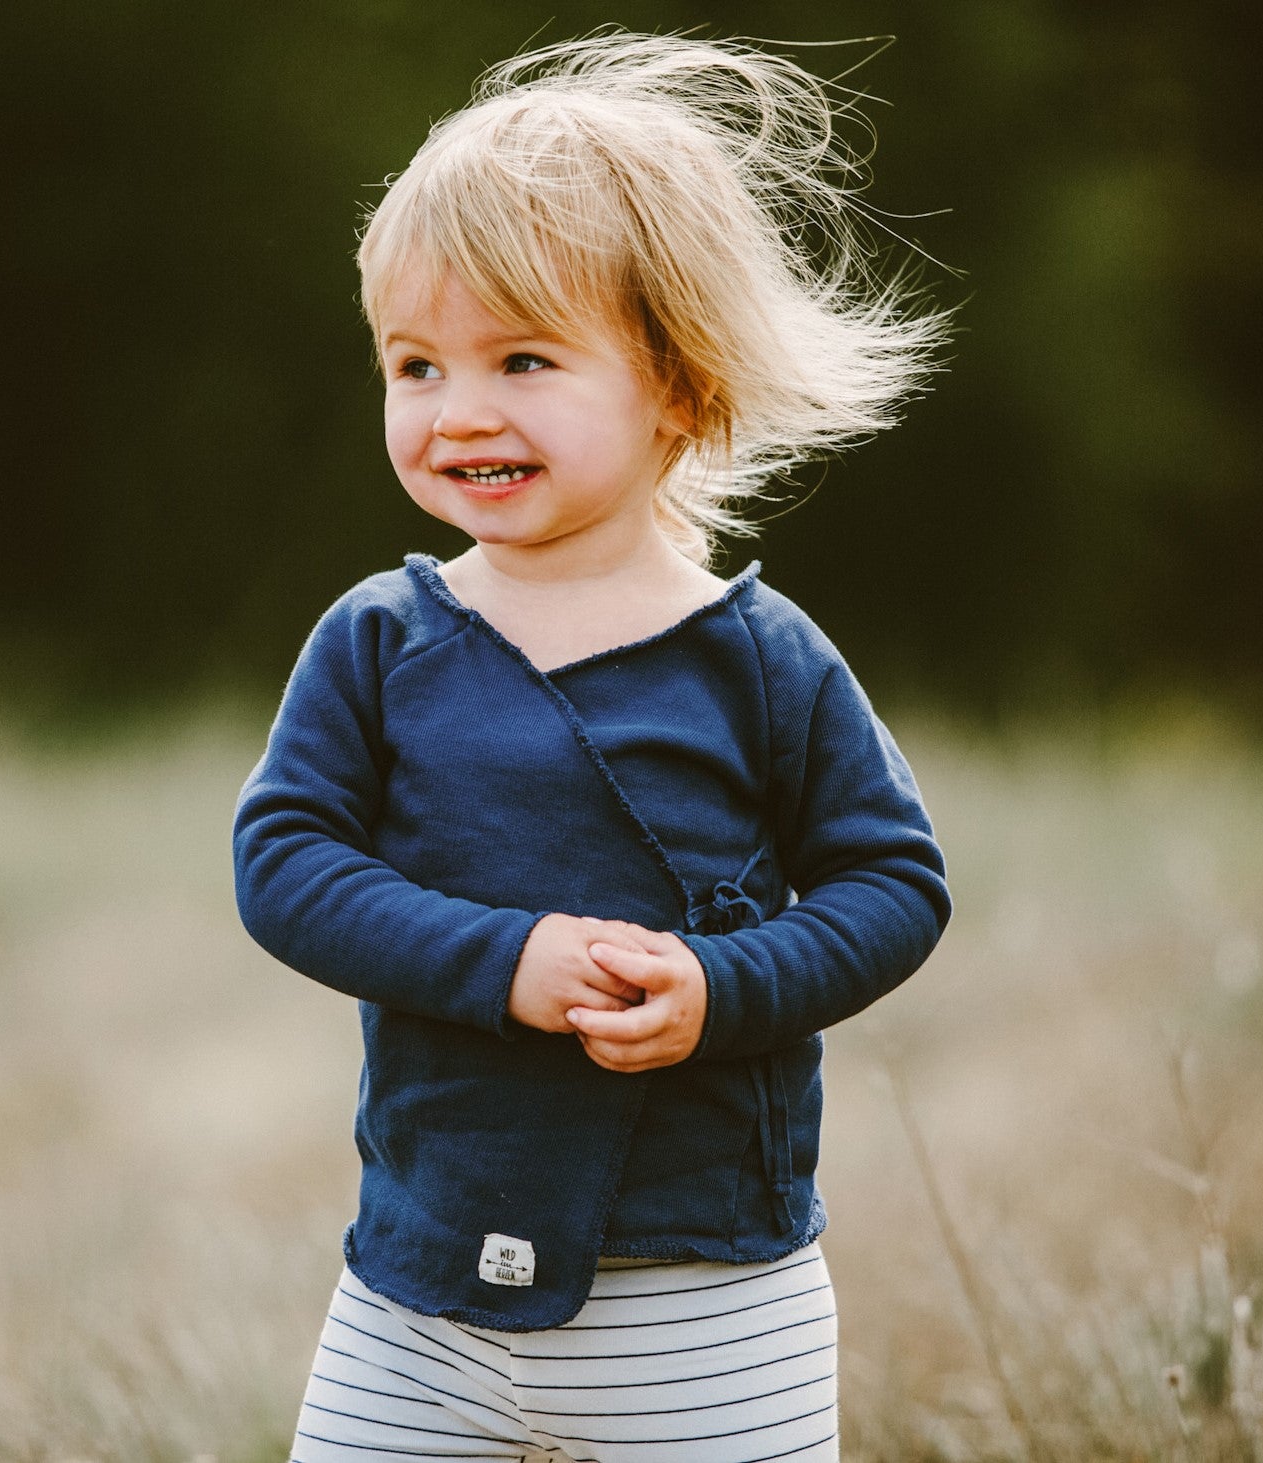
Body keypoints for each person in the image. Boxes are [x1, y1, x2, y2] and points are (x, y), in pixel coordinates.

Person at [234, 30, 951, 1463]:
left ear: (678, 388)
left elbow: (894, 886)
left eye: (523, 358)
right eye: (417, 364)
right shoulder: (379, 641)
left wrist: (721, 986)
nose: (461, 410)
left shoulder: (763, 658)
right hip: (415, 1293)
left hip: (706, 1297)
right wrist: (502, 963)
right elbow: (284, 864)